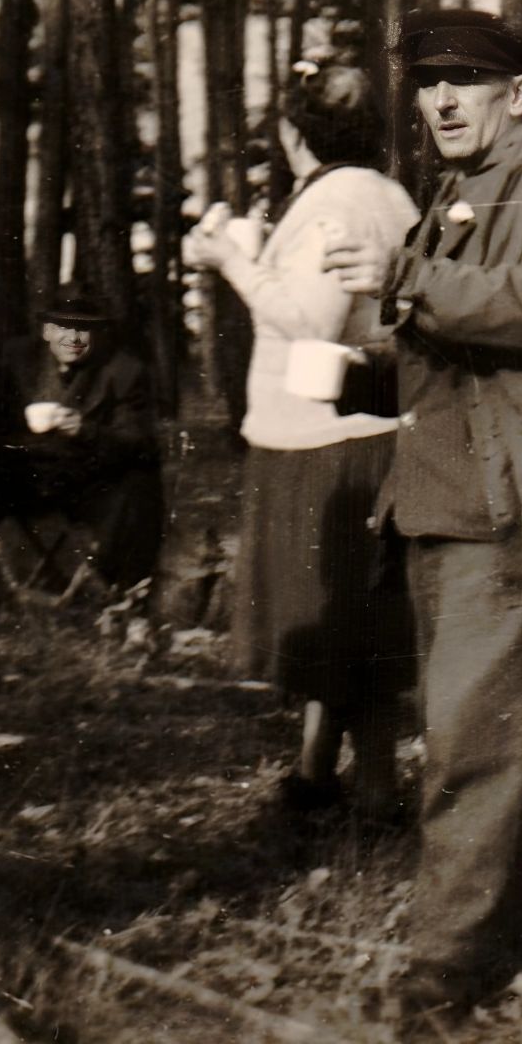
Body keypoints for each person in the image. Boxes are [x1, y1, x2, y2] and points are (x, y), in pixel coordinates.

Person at [322, 9, 522, 1015]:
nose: (444, 102)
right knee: (482, 739)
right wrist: (367, 370)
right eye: (428, 83)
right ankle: (502, 935)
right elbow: (463, 354)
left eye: (467, 81)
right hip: (439, 505)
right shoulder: (453, 199)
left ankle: (442, 971)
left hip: (513, 511)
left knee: (468, 747)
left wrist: (408, 282)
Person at [183, 61, 420, 821]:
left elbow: (311, 323)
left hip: (326, 440)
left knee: (342, 624)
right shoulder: (389, 195)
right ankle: (319, 768)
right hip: (369, 427)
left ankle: (375, 790)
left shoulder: (332, 202)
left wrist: (234, 263)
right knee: (350, 624)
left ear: (292, 134)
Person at [0, 292, 162, 599]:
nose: (72, 338)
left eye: (82, 329)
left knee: (140, 482)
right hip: (25, 474)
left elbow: (138, 440)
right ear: (47, 331)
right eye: (62, 328)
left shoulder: (124, 370)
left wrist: (87, 431)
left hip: (88, 480)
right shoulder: (21, 358)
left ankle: (122, 592)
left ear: (97, 334)